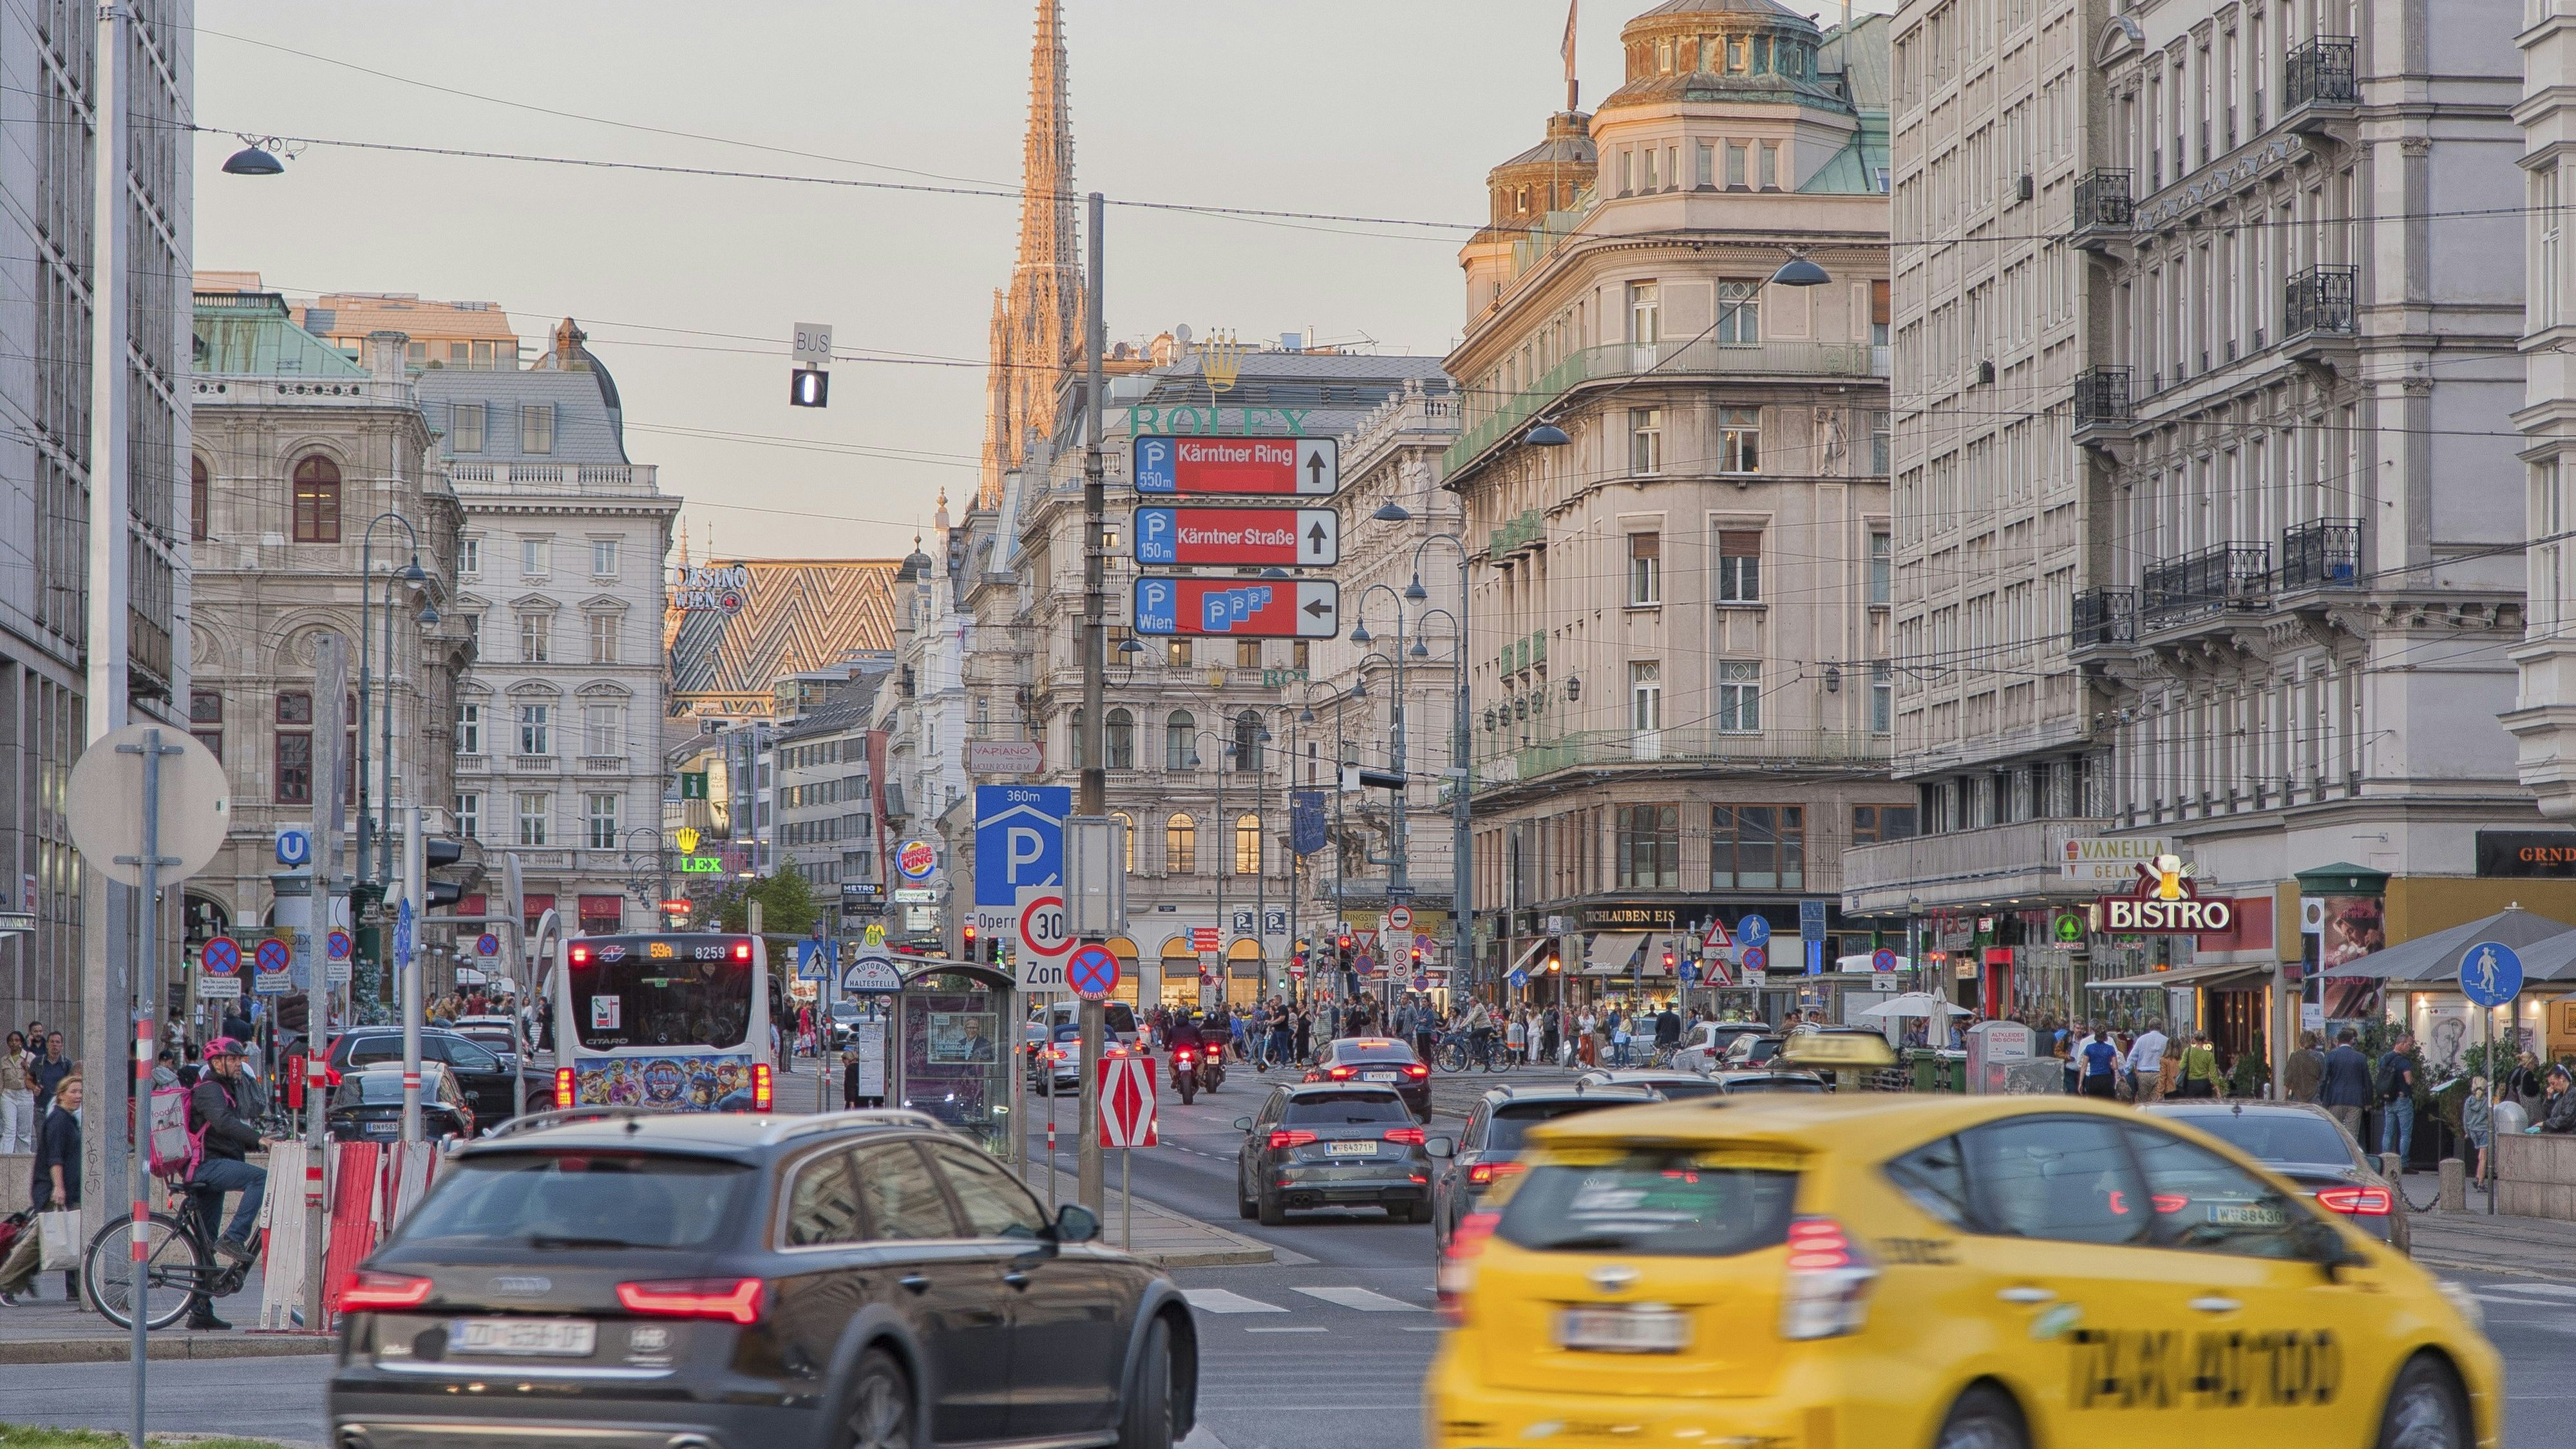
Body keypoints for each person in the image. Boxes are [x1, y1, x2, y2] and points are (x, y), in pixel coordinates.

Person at [184, 1039, 272, 1328]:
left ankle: (200, 1310)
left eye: (238, 1059)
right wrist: (258, 1139)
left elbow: (250, 1111)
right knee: (260, 1178)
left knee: (204, 1243)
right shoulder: (209, 1090)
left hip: (213, 1168)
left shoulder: (226, 1088)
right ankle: (235, 1237)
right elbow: (222, 1123)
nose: (238, 1064)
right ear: (216, 1063)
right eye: (232, 1060)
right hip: (206, 1167)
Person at [3, 1072, 81, 1305]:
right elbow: (55, 1158)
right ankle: (4, 1282)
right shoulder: (58, 1120)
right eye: (73, 1091)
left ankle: (76, 1289)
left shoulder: (67, 1119)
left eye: (80, 1092)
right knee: (36, 1243)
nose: (78, 1096)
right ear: (61, 1094)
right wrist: (58, 1187)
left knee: (66, 1237)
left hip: (62, 1190)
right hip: (52, 1191)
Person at [2319, 1028, 2374, 1140]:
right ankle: (2351, 1155)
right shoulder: (2361, 1058)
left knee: (2335, 1131)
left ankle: (2337, 1155)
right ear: (2351, 1041)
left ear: (2338, 1042)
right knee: (2352, 1134)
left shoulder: (2331, 1056)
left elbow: (2324, 1079)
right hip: (2356, 1100)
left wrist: (2322, 1098)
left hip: (2336, 1099)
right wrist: (2368, 1101)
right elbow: (2367, 1081)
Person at [2376, 1033, 2420, 1163]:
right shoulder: (2404, 1062)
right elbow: (2409, 1080)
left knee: (2388, 1131)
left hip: (2389, 1099)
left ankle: (2385, 1159)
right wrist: (2414, 1080)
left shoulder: (2384, 1059)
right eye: (2409, 1044)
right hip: (2402, 1099)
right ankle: (2404, 1162)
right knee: (2405, 1133)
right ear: (2401, 1044)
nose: (2410, 1048)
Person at [2124, 1018, 2170, 1105]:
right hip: (2159, 1075)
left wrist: (2127, 1072)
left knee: (2143, 1103)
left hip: (2143, 1075)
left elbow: (2132, 1057)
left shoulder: (2141, 1040)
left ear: (2149, 1027)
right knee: (2156, 1102)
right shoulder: (2166, 1040)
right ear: (2161, 1027)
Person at [0, 1032, 30, 1155]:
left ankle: (22, 1159)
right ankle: (4, 1158)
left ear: (21, 1042)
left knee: (23, 1131)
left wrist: (28, 1068)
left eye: (17, 1040)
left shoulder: (29, 1057)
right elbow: (1, 1081)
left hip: (25, 1094)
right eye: (11, 1041)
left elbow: (36, 1079)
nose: (14, 1043)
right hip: (8, 1095)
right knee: (9, 1129)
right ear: (8, 1043)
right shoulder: (4, 1060)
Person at [30, 1032, 70, 1115]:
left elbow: (72, 1084)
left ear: (62, 1046)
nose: (54, 1044)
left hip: (60, 1109)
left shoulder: (67, 1064)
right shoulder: (37, 1062)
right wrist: (34, 1088)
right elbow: (28, 1079)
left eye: (58, 1042)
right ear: (47, 1045)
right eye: (52, 1042)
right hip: (40, 1109)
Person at [2464, 1075, 2494, 1181]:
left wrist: (2468, 1132)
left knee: (2480, 1156)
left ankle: (2478, 1177)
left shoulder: (2469, 1101)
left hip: (2473, 1131)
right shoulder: (2487, 1101)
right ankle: (2480, 1182)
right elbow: (2491, 1115)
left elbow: (2465, 1119)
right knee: (2483, 1158)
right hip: (2484, 1131)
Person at [2175, 1032, 2222, 1099]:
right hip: (2205, 1084)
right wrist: (2218, 1090)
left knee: (2192, 1107)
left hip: (2191, 1084)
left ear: (2194, 1040)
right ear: (2204, 1041)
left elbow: (2182, 1067)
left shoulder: (2187, 1051)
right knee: (2205, 1107)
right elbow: (2213, 1074)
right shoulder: (2209, 1055)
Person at [2284, 1030, 2327, 1104]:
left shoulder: (2295, 1056)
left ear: (2301, 1042)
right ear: (2315, 1043)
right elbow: (2323, 1079)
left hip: (2297, 1099)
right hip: (2314, 1099)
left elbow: (2288, 1080)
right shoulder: (2320, 1057)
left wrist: (2285, 1097)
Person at [2079, 1027, 2120, 1098]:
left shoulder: (2089, 1048)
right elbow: (2115, 1066)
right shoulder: (2110, 1048)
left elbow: (2084, 1067)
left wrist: (2080, 1083)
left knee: (2094, 1104)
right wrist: (2108, 1065)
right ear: (2105, 1037)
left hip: (2094, 1079)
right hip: (2106, 1079)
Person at [2539, 1065, 2576, 1135]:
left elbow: (2566, 1119)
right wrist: (2549, 1099)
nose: (2552, 1087)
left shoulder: (2572, 1094)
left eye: (2553, 1083)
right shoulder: (2559, 1097)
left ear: (2562, 1078)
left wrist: (2545, 1124)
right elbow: (2550, 1116)